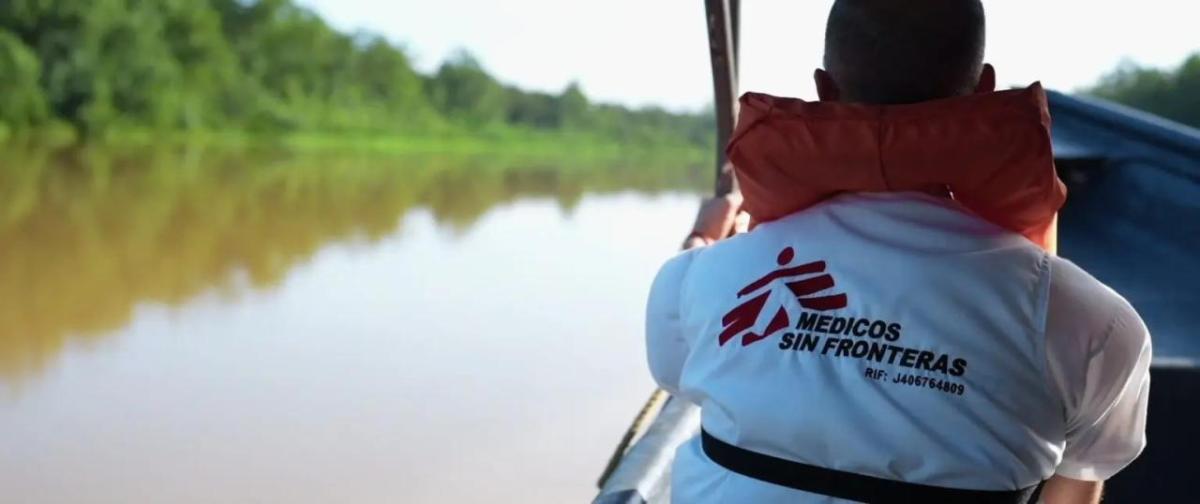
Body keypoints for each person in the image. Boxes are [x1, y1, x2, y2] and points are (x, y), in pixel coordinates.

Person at [646, 1, 1152, 503]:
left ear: (824, 91)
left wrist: (702, 241)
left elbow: (680, 366)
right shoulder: (1094, 324)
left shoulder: (694, 281)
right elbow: (1079, 481)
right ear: (984, 88)